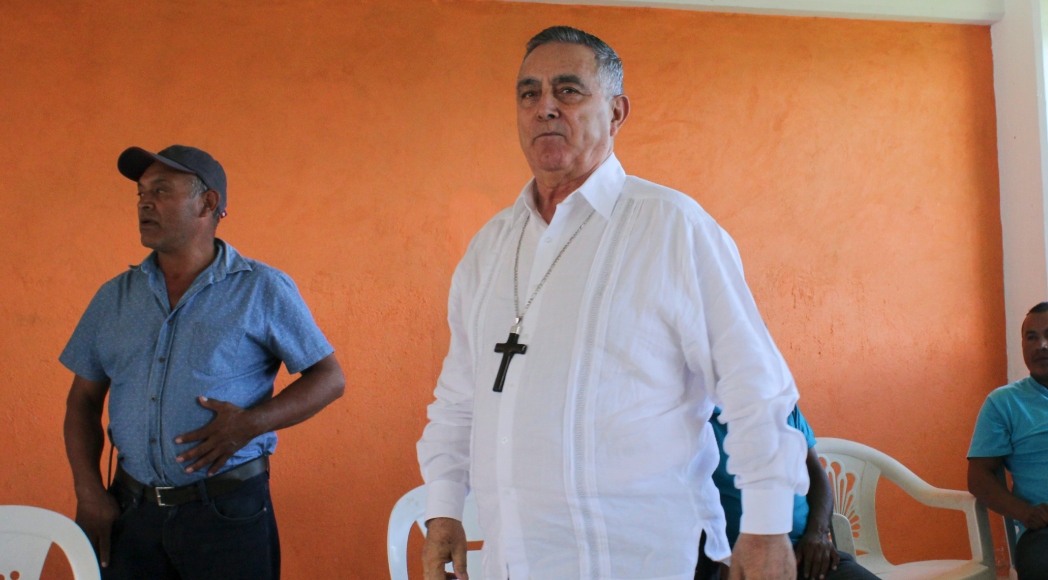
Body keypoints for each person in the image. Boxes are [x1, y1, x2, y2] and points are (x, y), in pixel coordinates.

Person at [417, 26, 808, 580]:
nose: (545, 107)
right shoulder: (490, 247)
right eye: (529, 93)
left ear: (618, 111)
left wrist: (767, 529)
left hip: (643, 557)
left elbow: (753, 385)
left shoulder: (672, 227)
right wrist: (443, 511)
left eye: (568, 90)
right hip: (516, 558)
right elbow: (459, 397)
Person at [61, 145, 345, 580]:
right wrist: (88, 491)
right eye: (140, 194)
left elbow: (328, 378)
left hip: (227, 512)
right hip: (131, 514)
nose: (144, 203)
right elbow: (82, 399)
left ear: (208, 203)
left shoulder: (261, 289)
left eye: (160, 190)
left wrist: (251, 423)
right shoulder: (114, 297)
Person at [967, 302, 1048, 580]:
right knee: (1043, 572)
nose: (1040, 345)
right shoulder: (1004, 403)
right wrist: (1025, 513)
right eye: (1031, 337)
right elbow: (979, 476)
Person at [697, 406, 877, 580]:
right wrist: (721, 562)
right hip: (739, 563)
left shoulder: (784, 405)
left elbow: (817, 476)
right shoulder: (696, 418)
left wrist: (818, 534)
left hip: (807, 555)